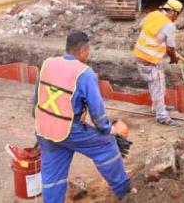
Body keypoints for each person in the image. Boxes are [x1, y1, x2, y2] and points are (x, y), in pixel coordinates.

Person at [34, 31, 131, 202]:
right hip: (69, 129)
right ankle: (125, 191)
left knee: (53, 176)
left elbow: (37, 98)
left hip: (44, 128)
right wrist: (109, 130)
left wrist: (43, 122)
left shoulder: (48, 63)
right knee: (106, 145)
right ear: (83, 52)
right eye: (89, 51)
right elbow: (98, 113)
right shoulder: (84, 73)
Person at [134, 0, 184, 126]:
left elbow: (141, 27)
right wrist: (173, 58)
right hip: (150, 59)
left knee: (153, 83)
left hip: (140, 56)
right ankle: (162, 116)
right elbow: (170, 48)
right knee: (159, 86)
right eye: (177, 14)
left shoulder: (153, 14)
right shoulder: (169, 25)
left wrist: (154, 41)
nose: (176, 18)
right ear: (173, 12)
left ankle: (156, 107)